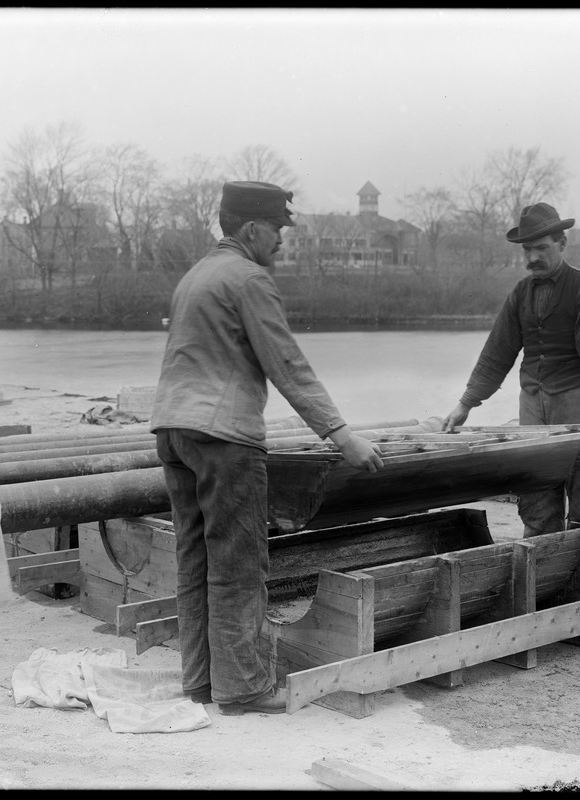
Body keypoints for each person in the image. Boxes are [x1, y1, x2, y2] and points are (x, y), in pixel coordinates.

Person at [150, 180, 384, 716]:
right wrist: (342, 437)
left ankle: (201, 681)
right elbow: (288, 365)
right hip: (223, 439)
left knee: (195, 558)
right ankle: (245, 688)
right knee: (239, 562)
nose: (281, 238)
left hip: (173, 433)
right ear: (252, 228)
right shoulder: (249, 278)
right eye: (277, 228)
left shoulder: (197, 275)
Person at [442, 202, 580, 537]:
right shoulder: (520, 293)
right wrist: (465, 404)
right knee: (537, 502)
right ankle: (539, 578)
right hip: (533, 407)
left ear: (562, 245)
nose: (532, 257)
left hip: (579, 408)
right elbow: (497, 354)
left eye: (541, 248)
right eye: (527, 249)